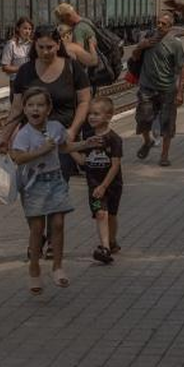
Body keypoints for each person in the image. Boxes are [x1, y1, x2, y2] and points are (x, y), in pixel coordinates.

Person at [9, 88, 98, 292]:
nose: (35, 109)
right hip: (34, 184)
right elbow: (18, 157)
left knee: (57, 223)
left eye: (40, 105)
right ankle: (34, 268)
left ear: (48, 109)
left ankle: (57, 267)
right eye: (30, 105)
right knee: (37, 228)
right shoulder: (23, 134)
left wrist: (85, 143)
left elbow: (64, 147)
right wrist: (40, 151)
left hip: (55, 180)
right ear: (24, 109)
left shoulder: (56, 127)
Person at [0, 24, 93, 181]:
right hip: (32, 141)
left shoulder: (72, 68)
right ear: (34, 46)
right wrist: (4, 138)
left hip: (62, 139)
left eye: (49, 47)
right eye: (40, 47)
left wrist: (73, 130)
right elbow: (16, 109)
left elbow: (84, 101)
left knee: (58, 186)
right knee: (33, 188)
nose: (45, 52)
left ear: (58, 45)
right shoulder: (25, 71)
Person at [130, 11, 184, 166]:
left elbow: (183, 68)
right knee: (143, 118)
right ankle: (147, 141)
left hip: (167, 89)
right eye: (158, 23)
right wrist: (140, 46)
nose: (160, 26)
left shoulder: (175, 44)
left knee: (168, 123)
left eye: (164, 24)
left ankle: (164, 155)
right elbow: (134, 57)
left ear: (170, 27)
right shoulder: (147, 38)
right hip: (147, 87)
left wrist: (181, 92)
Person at [74, 95, 123, 264]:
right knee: (100, 213)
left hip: (112, 185)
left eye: (96, 114)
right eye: (90, 114)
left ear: (108, 117)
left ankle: (112, 241)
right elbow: (83, 161)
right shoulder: (88, 138)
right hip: (93, 186)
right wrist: (69, 149)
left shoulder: (114, 139)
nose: (91, 117)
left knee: (112, 215)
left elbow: (115, 165)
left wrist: (104, 185)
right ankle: (105, 248)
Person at [53, 2, 99, 70]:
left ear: (68, 16)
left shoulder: (78, 30)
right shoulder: (86, 21)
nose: (62, 22)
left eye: (62, 20)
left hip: (87, 68)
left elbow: (78, 54)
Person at [0, 17, 34, 101]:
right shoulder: (11, 45)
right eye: (25, 28)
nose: (27, 31)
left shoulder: (33, 45)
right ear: (18, 28)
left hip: (31, 81)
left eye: (30, 29)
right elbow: (5, 67)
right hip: (16, 82)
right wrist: (22, 69)